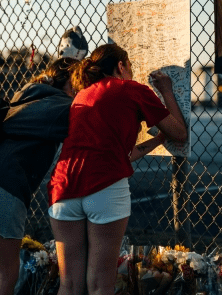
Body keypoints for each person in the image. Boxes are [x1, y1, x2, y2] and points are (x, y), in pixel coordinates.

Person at [47, 44, 188, 295]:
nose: (132, 73)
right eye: (130, 67)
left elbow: (121, 154)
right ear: (121, 66)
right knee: (101, 285)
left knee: (69, 284)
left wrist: (156, 140)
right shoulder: (131, 89)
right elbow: (179, 132)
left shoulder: (82, 95)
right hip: (104, 187)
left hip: (63, 188)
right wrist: (166, 91)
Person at [0, 57, 78, 295]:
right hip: (0, 184)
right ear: (72, 82)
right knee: (6, 277)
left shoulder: (25, 96)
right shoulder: (61, 105)